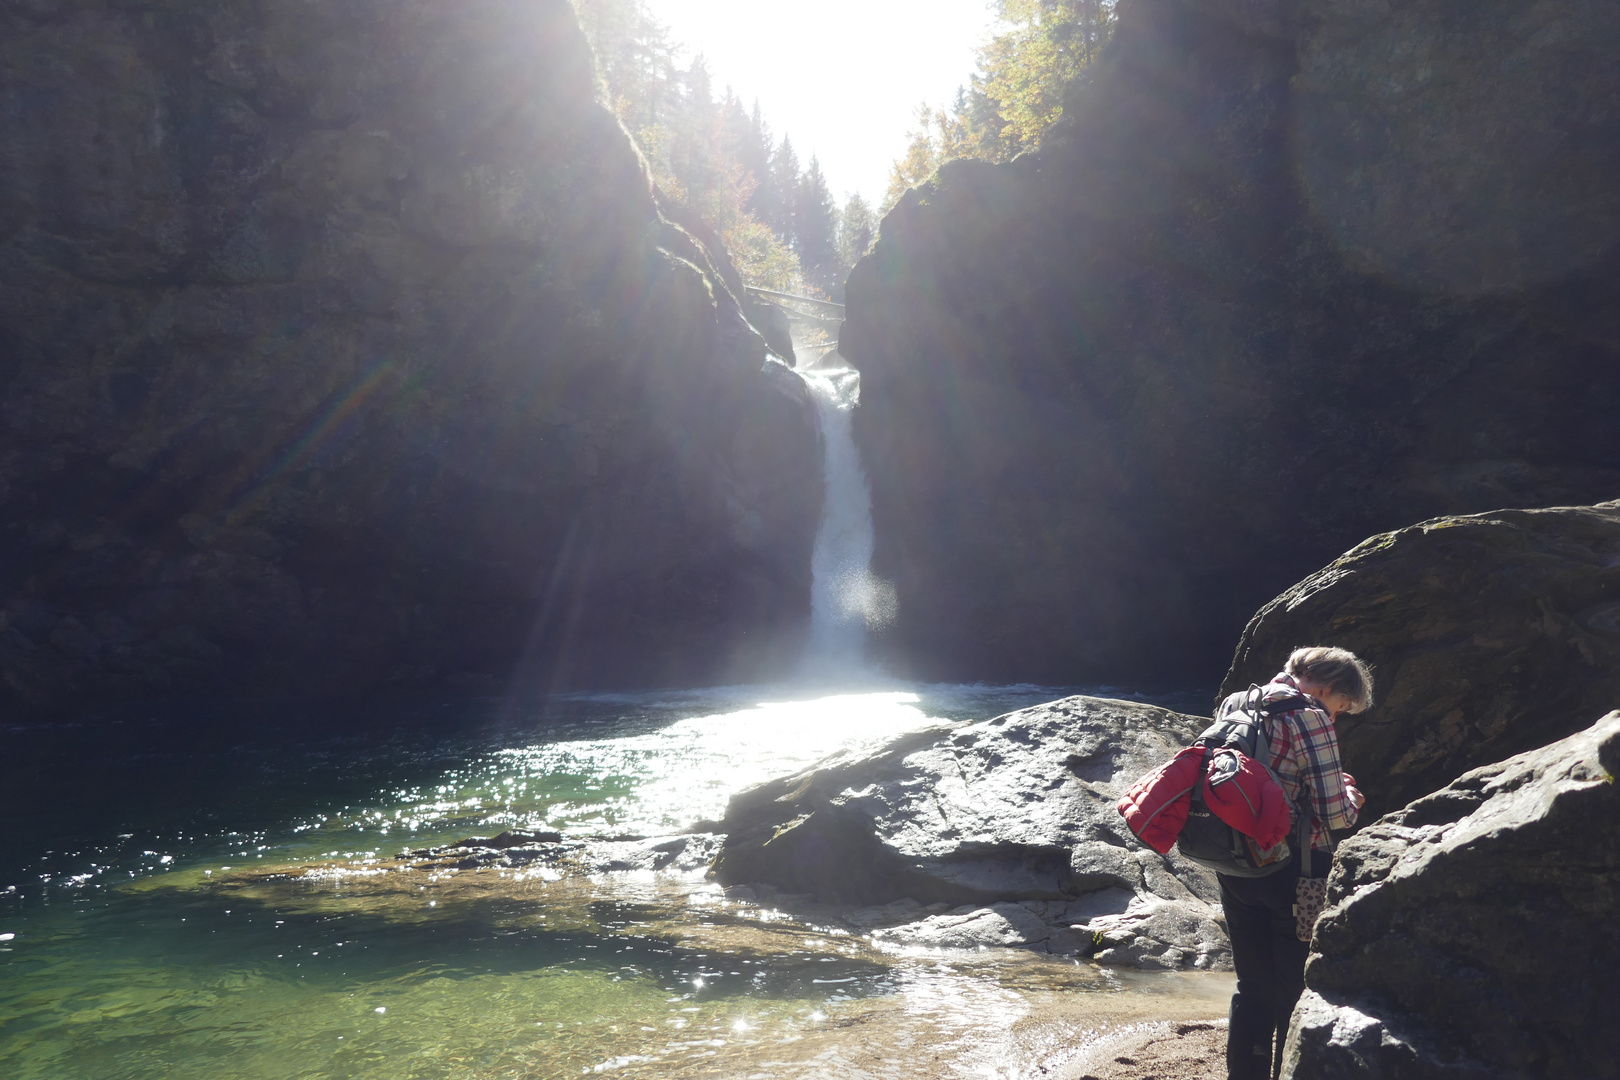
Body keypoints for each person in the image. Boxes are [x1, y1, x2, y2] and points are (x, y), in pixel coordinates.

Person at [1218, 646, 1372, 1080]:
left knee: (1251, 986)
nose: (1336, 717)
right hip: (1293, 869)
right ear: (1326, 688)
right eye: (1340, 707)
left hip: (1234, 861)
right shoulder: (1310, 715)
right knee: (1291, 986)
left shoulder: (1240, 701)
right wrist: (1350, 799)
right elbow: (1335, 814)